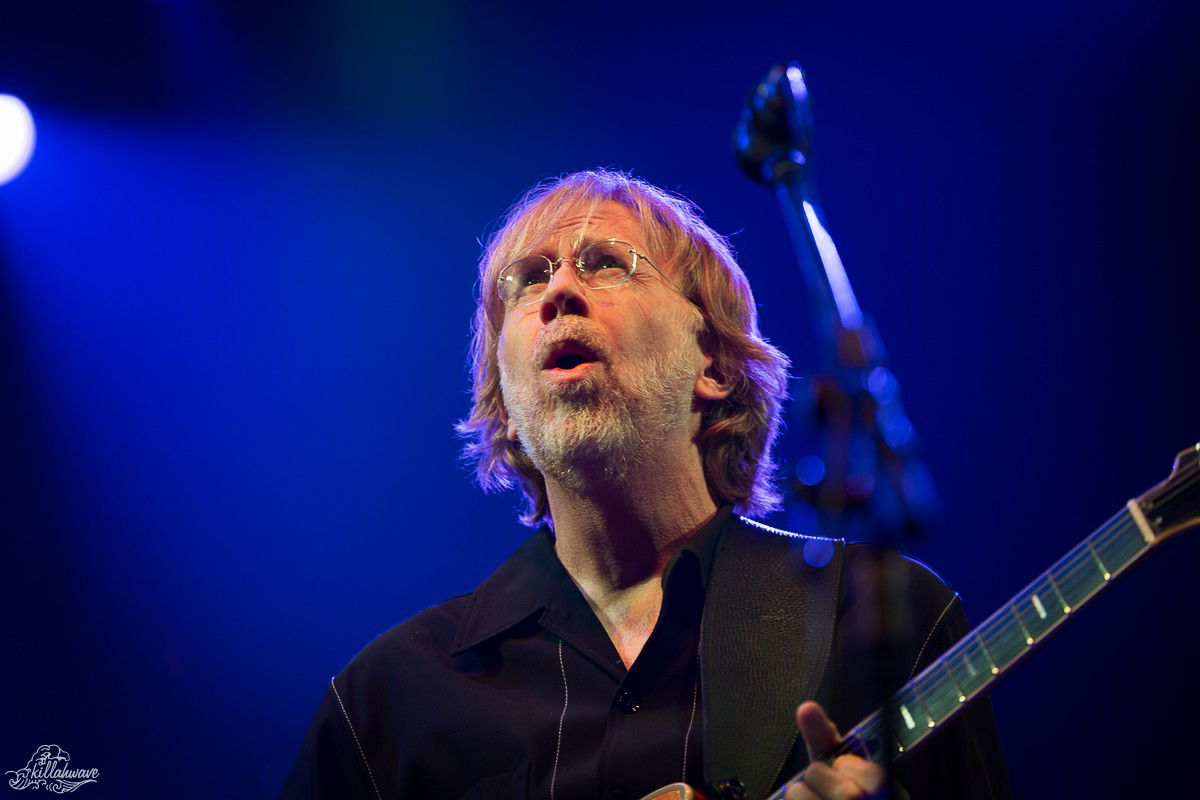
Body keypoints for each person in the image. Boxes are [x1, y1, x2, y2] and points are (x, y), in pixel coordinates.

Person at [279, 170, 1010, 800]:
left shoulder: (880, 621)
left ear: (714, 364)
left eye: (605, 264)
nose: (558, 291)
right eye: (528, 279)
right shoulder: (388, 703)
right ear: (505, 401)